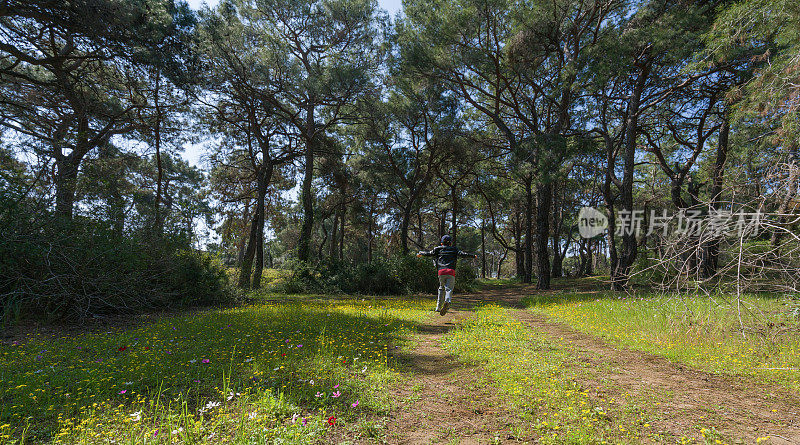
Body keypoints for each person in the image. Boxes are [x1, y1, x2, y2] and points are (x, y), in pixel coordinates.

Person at [417, 235, 477, 315]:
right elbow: (463, 254)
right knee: (449, 289)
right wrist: (473, 256)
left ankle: (438, 307)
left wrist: (421, 253)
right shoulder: (454, 249)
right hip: (450, 271)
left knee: (441, 288)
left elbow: (429, 254)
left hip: (441, 272)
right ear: (450, 243)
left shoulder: (437, 249)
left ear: (442, 243)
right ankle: (447, 301)